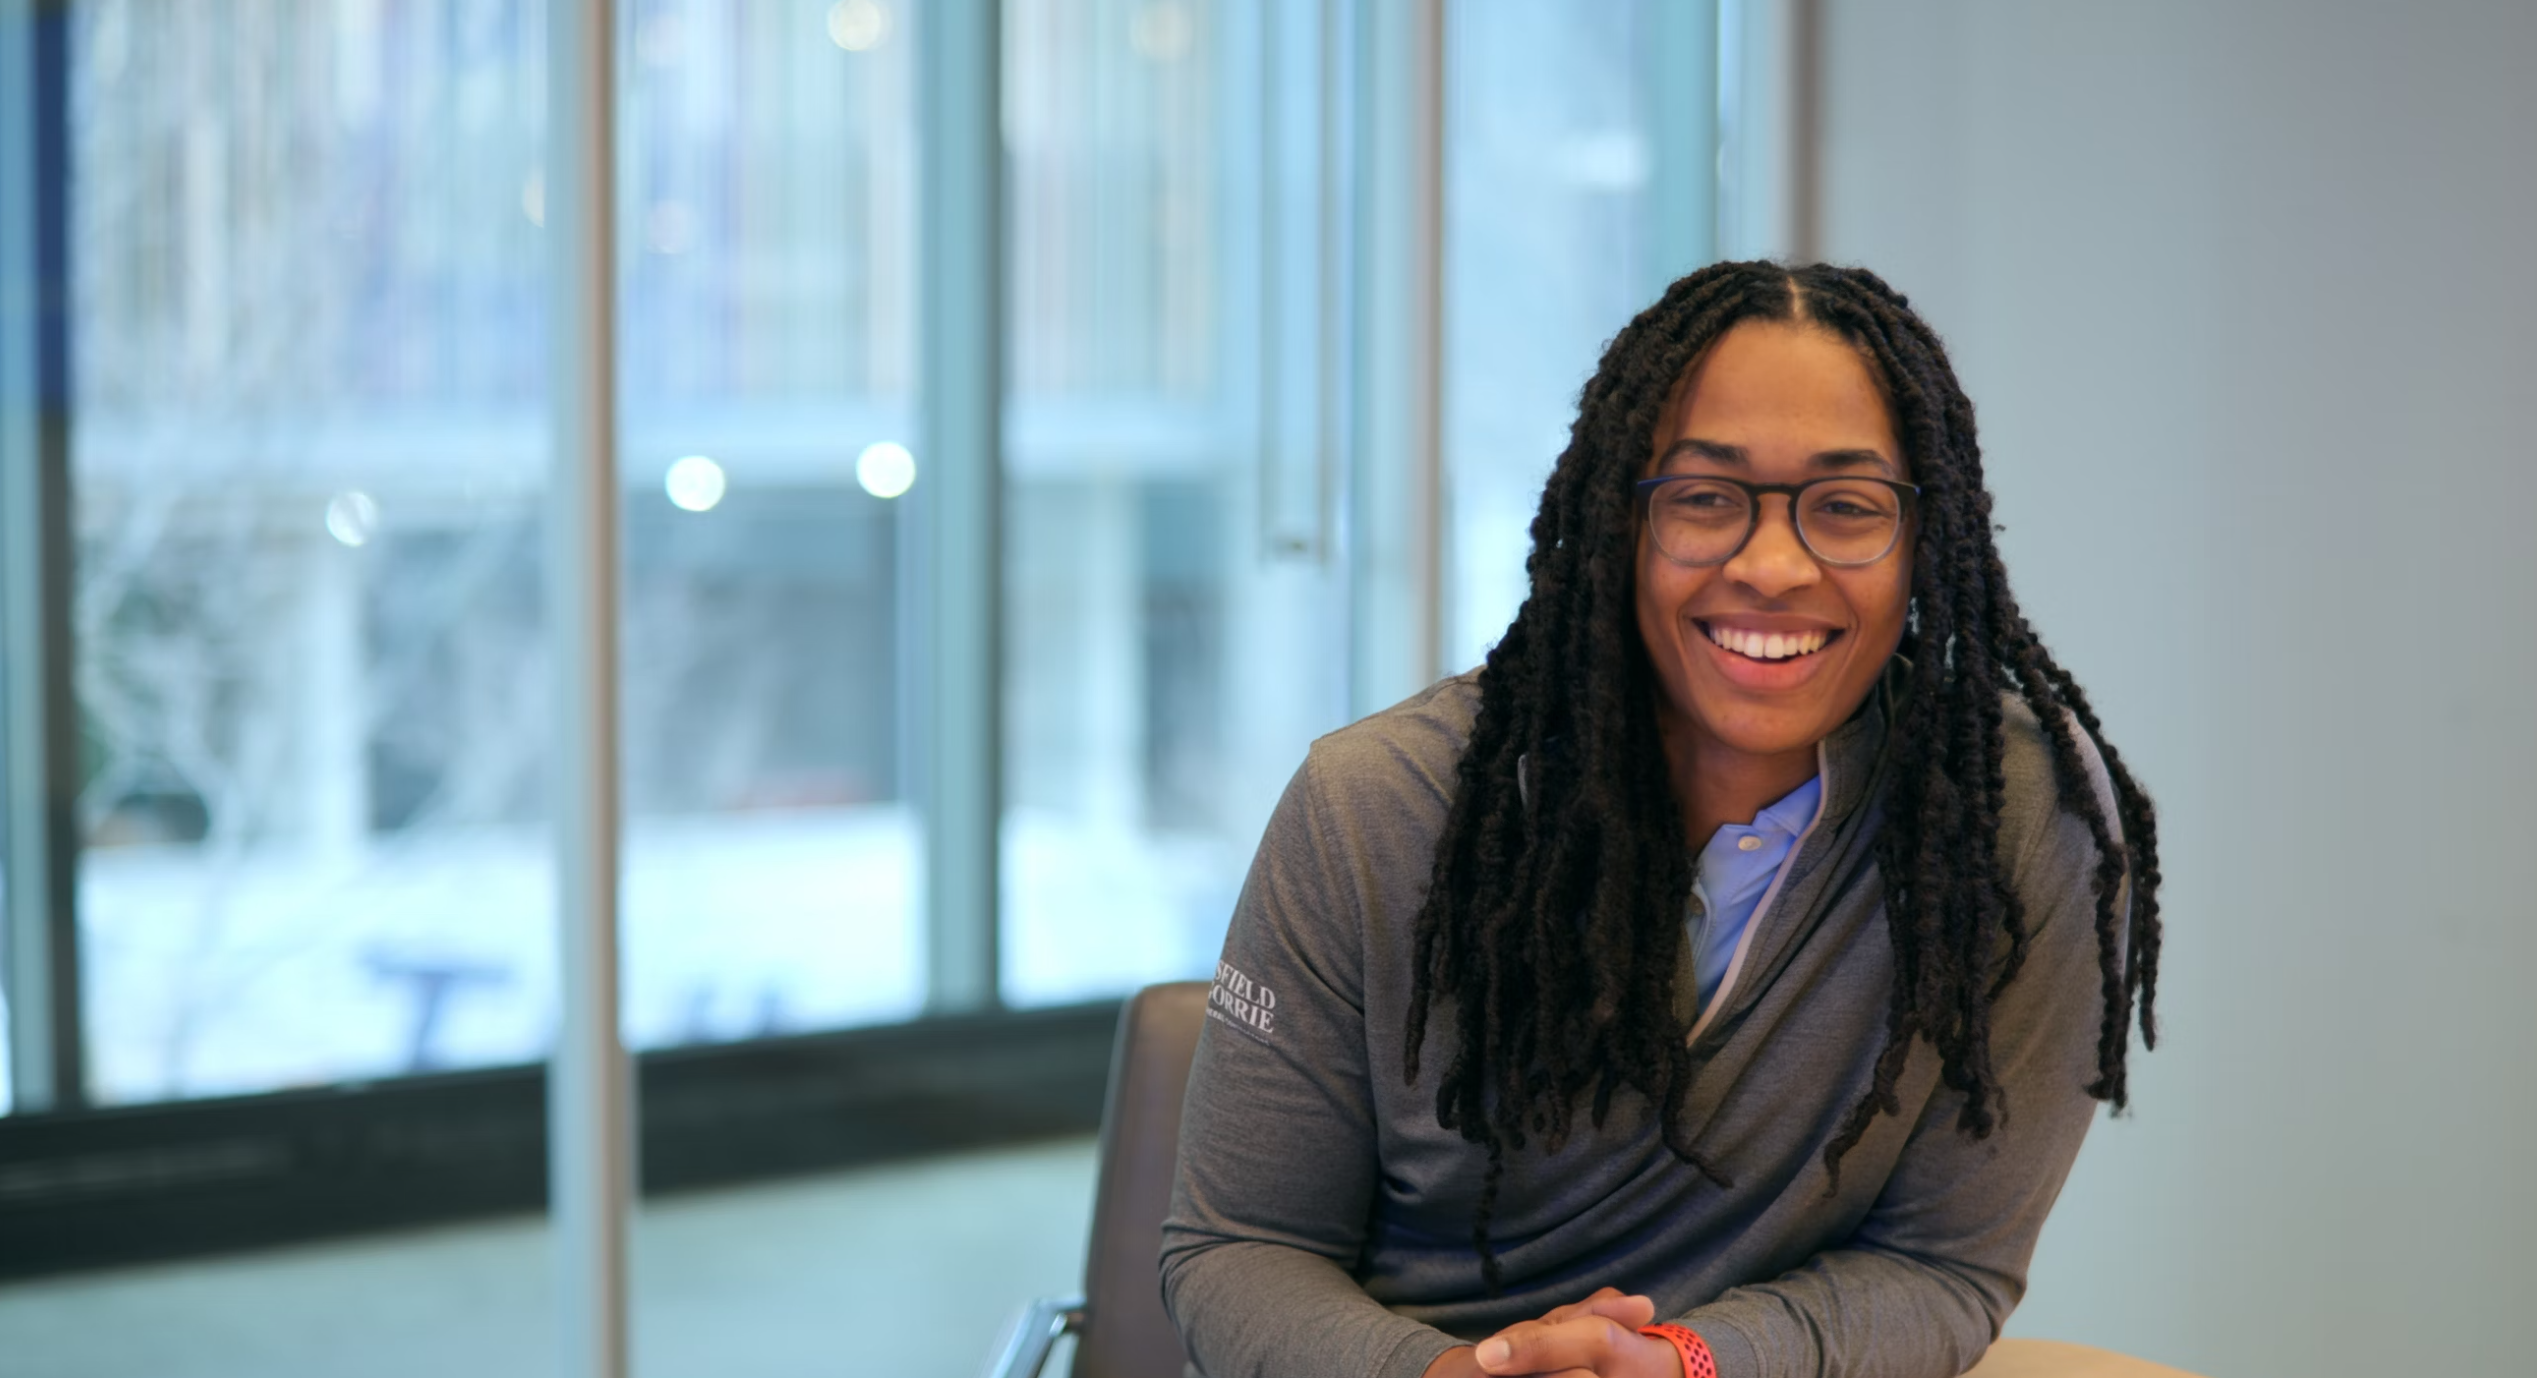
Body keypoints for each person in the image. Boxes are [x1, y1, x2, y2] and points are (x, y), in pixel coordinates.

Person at [1159, 261, 2163, 1378]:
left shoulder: (2015, 820)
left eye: (1844, 507)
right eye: (1702, 497)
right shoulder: (1372, 810)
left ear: (1924, 542)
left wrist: (1689, 1361)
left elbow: (1944, 1264)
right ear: (1615, 524)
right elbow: (1238, 1246)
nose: (1773, 566)